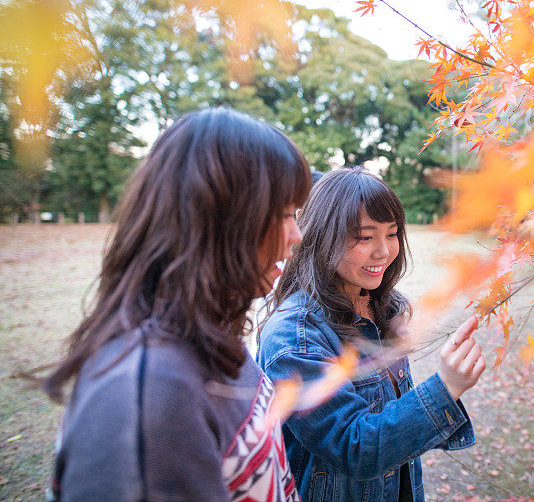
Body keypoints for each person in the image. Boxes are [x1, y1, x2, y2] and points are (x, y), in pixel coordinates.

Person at [43, 108, 310, 501]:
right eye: (284, 214)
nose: (297, 235)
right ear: (222, 219)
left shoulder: (207, 331)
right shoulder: (147, 395)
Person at [257, 167, 486, 502]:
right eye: (365, 237)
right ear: (323, 235)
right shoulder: (295, 337)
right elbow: (355, 447)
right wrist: (445, 387)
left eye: (391, 234)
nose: (383, 252)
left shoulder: (382, 307)